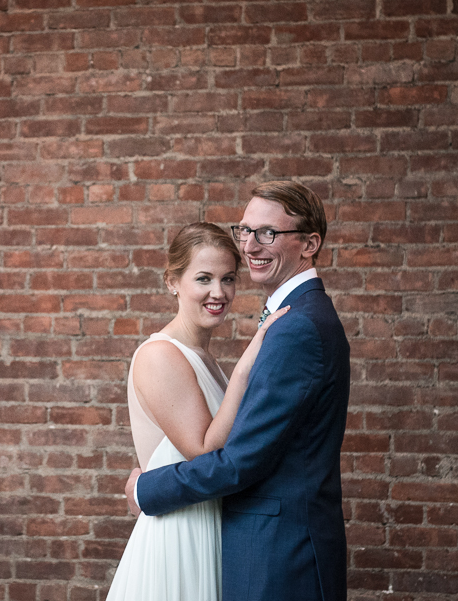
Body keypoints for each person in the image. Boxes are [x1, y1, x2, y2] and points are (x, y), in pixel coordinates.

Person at [125, 181, 351, 601]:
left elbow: (238, 461)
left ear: (309, 244)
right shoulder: (295, 320)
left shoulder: (297, 326)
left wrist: (146, 488)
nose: (251, 244)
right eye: (245, 231)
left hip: (278, 550)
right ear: (172, 281)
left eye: (268, 233)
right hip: (208, 540)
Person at [107, 222, 289, 601]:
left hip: (211, 528)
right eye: (203, 278)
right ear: (172, 281)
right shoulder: (161, 355)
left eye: (228, 278)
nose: (218, 293)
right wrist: (247, 365)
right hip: (179, 537)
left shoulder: (204, 358)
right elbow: (204, 452)